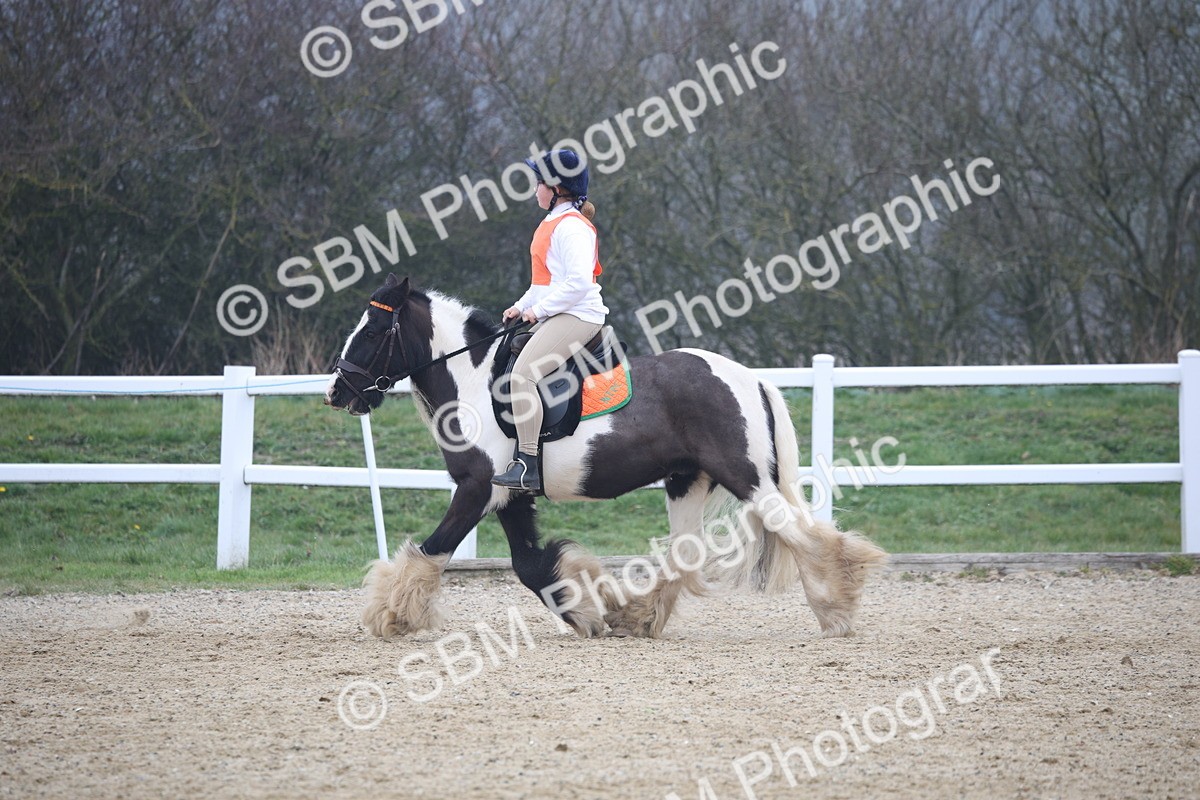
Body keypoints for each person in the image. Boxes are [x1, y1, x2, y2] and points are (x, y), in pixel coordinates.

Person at [491, 149, 608, 493]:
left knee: (522, 374)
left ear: (557, 187)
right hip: (562, 309)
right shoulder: (552, 222)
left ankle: (527, 463)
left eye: (539, 182)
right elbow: (544, 283)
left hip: (579, 314)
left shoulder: (571, 228)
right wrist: (520, 306)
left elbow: (577, 284)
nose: (535, 189)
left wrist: (538, 312)